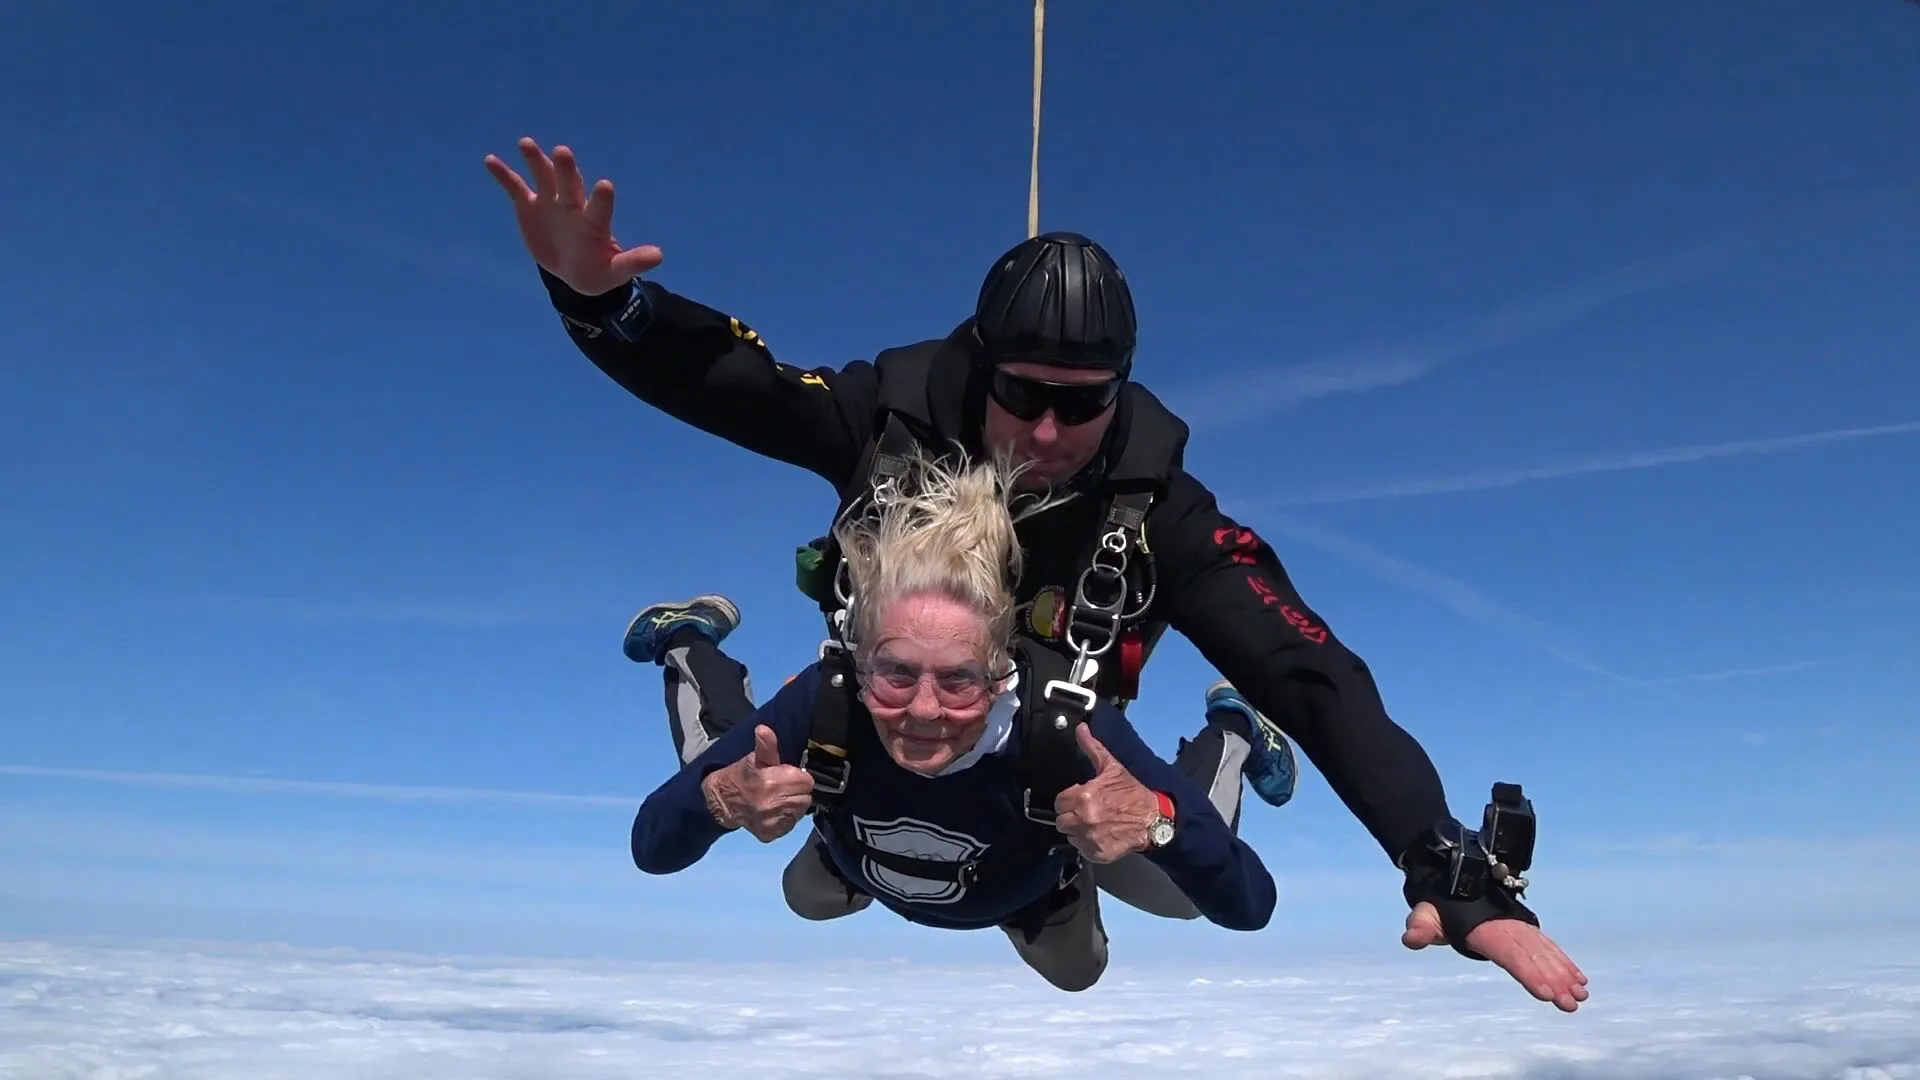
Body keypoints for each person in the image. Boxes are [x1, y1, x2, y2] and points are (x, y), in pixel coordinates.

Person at [485, 137, 1590, 1012]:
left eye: (1084, 402)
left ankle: (1213, 750)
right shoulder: (887, 423)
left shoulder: (1161, 516)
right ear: (980, 370)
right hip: (882, 729)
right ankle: (695, 651)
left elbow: (1313, 672)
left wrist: (1441, 862)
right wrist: (605, 307)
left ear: (1122, 390)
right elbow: (744, 387)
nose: (1049, 432)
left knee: (1162, 904)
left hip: (1063, 766)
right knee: (788, 856)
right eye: (1023, 393)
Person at [630, 451, 1276, 992]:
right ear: (860, 660)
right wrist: (721, 797)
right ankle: (687, 641)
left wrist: (1156, 823)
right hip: (863, 862)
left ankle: (1233, 727)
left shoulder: (1063, 727)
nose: (923, 710)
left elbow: (1249, 903)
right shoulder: (831, 701)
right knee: (792, 874)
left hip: (1028, 885)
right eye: (896, 673)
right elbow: (652, 847)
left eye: (959, 680)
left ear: (1001, 673)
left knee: (1099, 956)